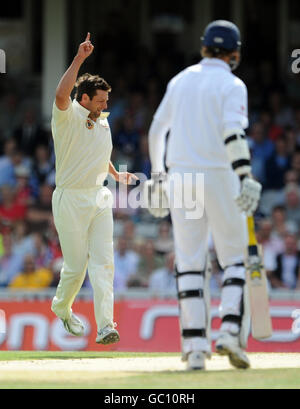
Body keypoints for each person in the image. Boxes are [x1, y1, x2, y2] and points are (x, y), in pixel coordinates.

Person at [145, 20, 262, 370]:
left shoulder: (180, 81)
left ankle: (195, 348)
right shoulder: (232, 83)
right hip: (220, 175)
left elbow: (156, 130)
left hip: (181, 177)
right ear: (235, 53)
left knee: (190, 263)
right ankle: (228, 332)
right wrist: (245, 175)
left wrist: (157, 175)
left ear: (203, 47)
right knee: (235, 260)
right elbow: (232, 134)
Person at [50, 33, 137, 345]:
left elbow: (99, 153)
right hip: (69, 198)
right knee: (75, 267)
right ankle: (61, 306)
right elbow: (61, 93)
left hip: (99, 196)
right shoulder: (68, 115)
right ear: (83, 98)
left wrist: (116, 174)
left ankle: (105, 326)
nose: (104, 105)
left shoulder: (102, 120)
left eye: (106, 101)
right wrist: (79, 59)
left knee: (104, 263)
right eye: (99, 101)